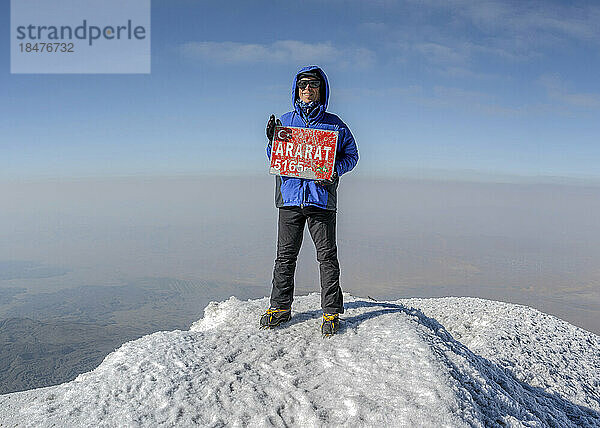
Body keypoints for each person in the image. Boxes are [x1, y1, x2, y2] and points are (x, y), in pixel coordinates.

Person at [261, 65, 359, 336]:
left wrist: (334, 170)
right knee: (285, 257)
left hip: (321, 199)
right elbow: (275, 156)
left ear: (321, 90)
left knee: (327, 257)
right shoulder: (285, 120)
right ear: (297, 90)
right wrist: (271, 141)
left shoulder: (335, 124)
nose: (307, 90)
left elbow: (352, 155)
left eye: (313, 86)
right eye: (303, 86)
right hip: (290, 198)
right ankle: (280, 307)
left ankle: (331, 312)